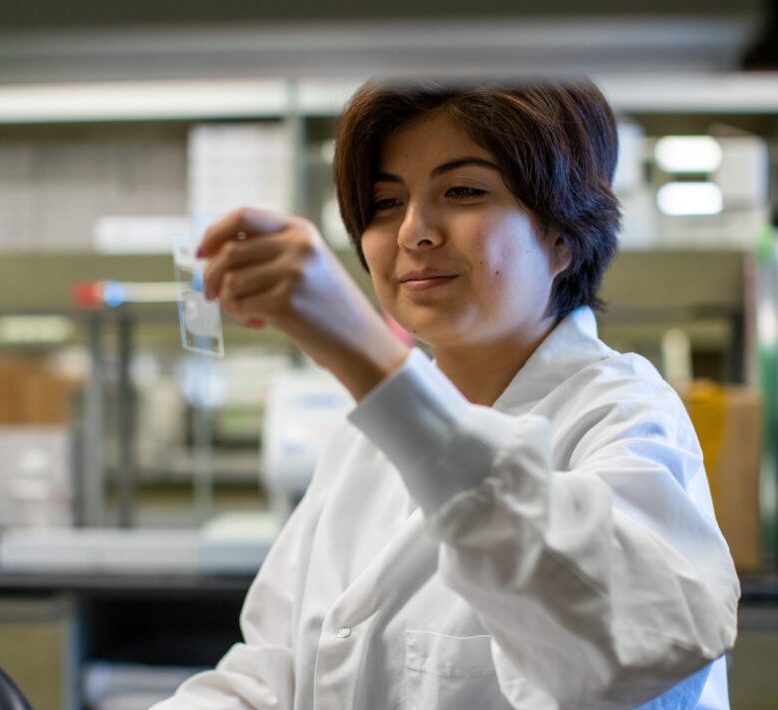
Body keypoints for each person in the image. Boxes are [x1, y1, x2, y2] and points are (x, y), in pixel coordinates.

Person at [152, 79, 739, 709]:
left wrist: (369, 359)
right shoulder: (363, 443)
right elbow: (267, 677)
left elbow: (634, 651)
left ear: (564, 235)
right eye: (384, 201)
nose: (413, 232)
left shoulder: (623, 418)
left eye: (463, 191)